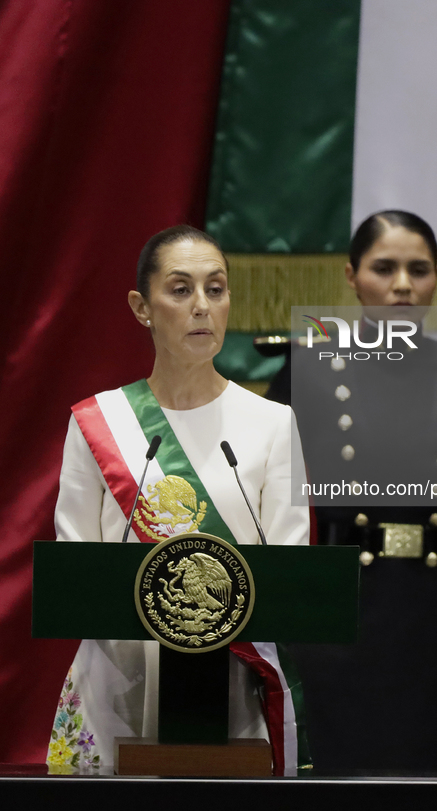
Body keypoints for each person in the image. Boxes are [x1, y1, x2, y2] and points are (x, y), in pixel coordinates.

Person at [46, 225, 309, 775]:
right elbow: (77, 569)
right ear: (142, 307)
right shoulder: (98, 423)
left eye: (216, 289)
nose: (201, 307)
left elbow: (290, 571)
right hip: (117, 686)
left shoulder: (272, 424)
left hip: (230, 691)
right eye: (181, 289)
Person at [269, 211, 437, 773]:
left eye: (419, 269)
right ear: (352, 276)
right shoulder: (307, 367)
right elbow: (265, 504)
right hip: (338, 615)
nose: (403, 284)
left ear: (436, 278)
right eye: (384, 268)